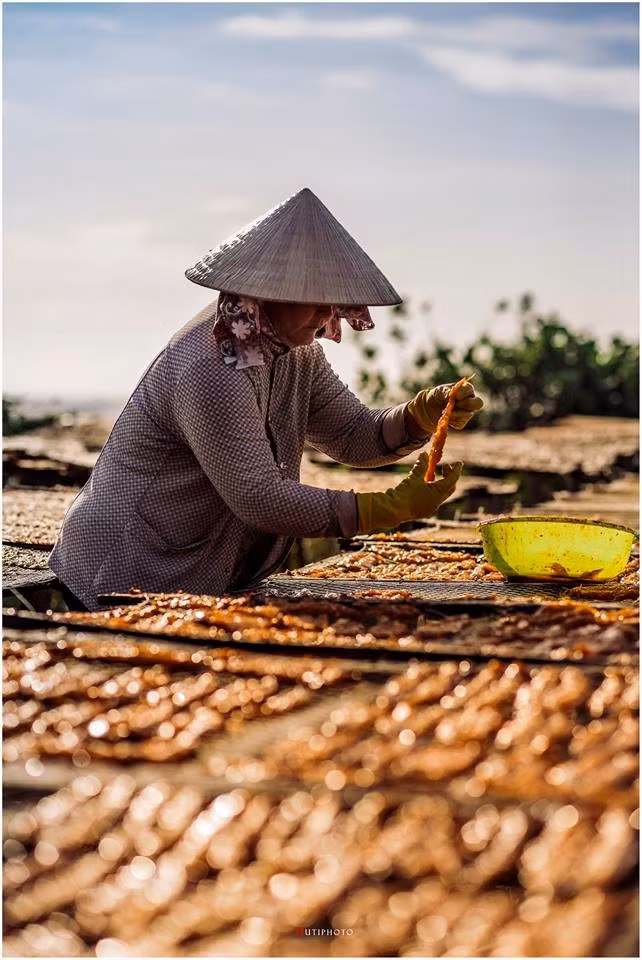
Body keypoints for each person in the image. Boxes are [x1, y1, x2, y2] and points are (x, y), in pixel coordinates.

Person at [50, 188, 483, 610]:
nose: (328, 316)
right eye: (315, 300)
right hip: (126, 573)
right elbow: (259, 497)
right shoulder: (212, 366)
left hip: (202, 574)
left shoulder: (297, 353)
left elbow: (353, 435)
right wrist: (383, 509)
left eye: (334, 303)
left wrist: (419, 417)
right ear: (269, 293)